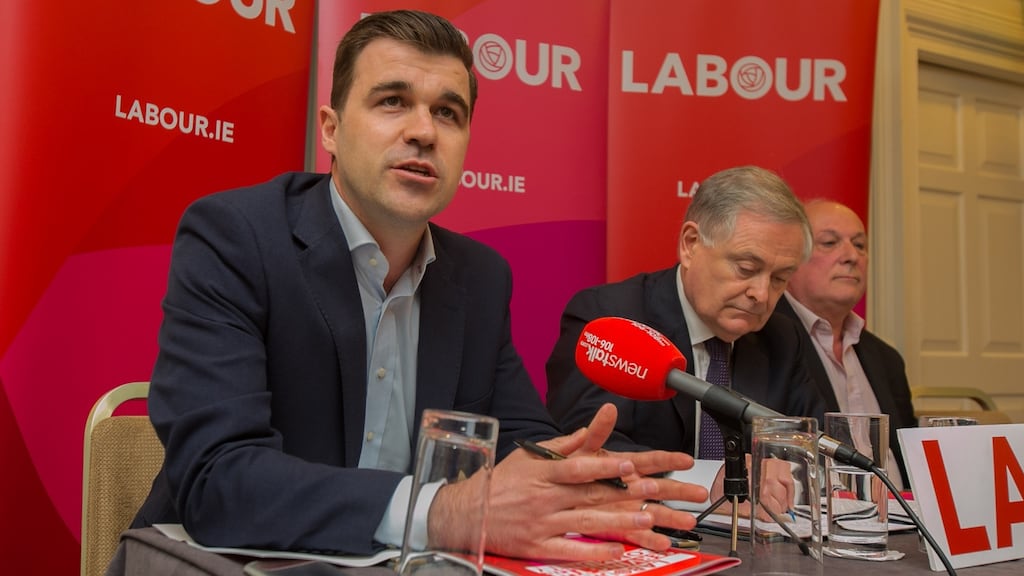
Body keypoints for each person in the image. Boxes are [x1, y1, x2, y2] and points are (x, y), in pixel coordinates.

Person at [130, 9, 707, 562]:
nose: (424, 132)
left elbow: (519, 439)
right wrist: (444, 512)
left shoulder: (480, 277)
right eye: (392, 102)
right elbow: (216, 479)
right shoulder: (238, 237)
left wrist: (574, 481)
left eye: (448, 113)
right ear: (331, 129)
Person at [546, 165, 829, 517]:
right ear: (691, 244)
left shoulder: (781, 338)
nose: (762, 294)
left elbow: (816, 448)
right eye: (746, 268)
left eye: (780, 278)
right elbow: (587, 446)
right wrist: (712, 482)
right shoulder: (612, 320)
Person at [777, 199, 914, 486]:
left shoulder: (886, 358)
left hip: (902, 509)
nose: (851, 256)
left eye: (860, 245)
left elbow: (910, 460)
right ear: (790, 259)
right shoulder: (764, 343)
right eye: (829, 242)